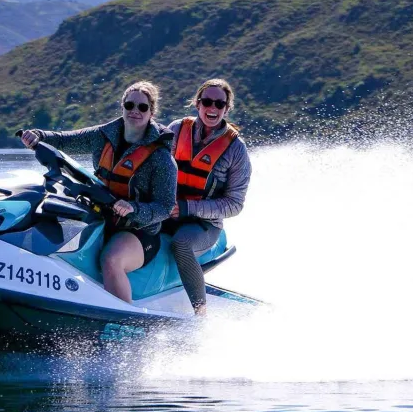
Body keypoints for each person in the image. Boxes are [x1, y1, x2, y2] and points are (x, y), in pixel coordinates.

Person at [20, 81, 177, 304]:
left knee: (111, 260)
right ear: (122, 107)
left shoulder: (161, 159)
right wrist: (38, 136)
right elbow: (65, 140)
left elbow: (165, 206)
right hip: (98, 219)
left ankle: (123, 323)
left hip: (139, 231)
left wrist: (134, 208)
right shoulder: (103, 135)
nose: (134, 111)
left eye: (142, 107)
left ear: (151, 112)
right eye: (129, 105)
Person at [166, 78, 252, 316]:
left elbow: (235, 204)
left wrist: (188, 208)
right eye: (207, 101)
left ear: (226, 108)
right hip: (166, 212)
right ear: (197, 103)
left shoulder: (236, 149)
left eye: (219, 103)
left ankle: (200, 314)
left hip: (204, 225)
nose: (212, 108)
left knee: (180, 244)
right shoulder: (176, 129)